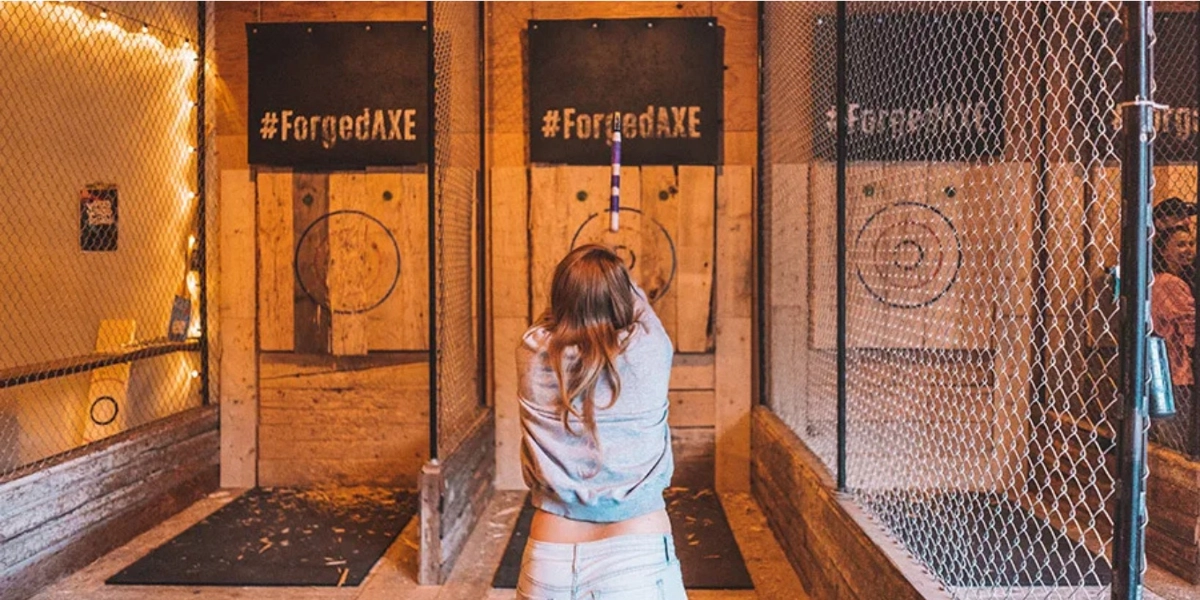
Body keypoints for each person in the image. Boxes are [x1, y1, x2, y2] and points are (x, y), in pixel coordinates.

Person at [515, 244, 686, 600]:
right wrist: (616, 278)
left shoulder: (531, 354)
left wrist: (578, 292)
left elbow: (553, 320)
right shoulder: (651, 349)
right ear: (621, 297)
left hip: (550, 558)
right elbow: (641, 308)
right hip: (636, 555)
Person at [1151, 225, 1197, 456]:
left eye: (1190, 244)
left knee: (1166, 434)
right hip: (1177, 369)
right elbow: (1190, 326)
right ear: (1163, 250)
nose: (1188, 250)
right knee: (1178, 437)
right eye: (1180, 244)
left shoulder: (1156, 279)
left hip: (1161, 367)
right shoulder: (1171, 284)